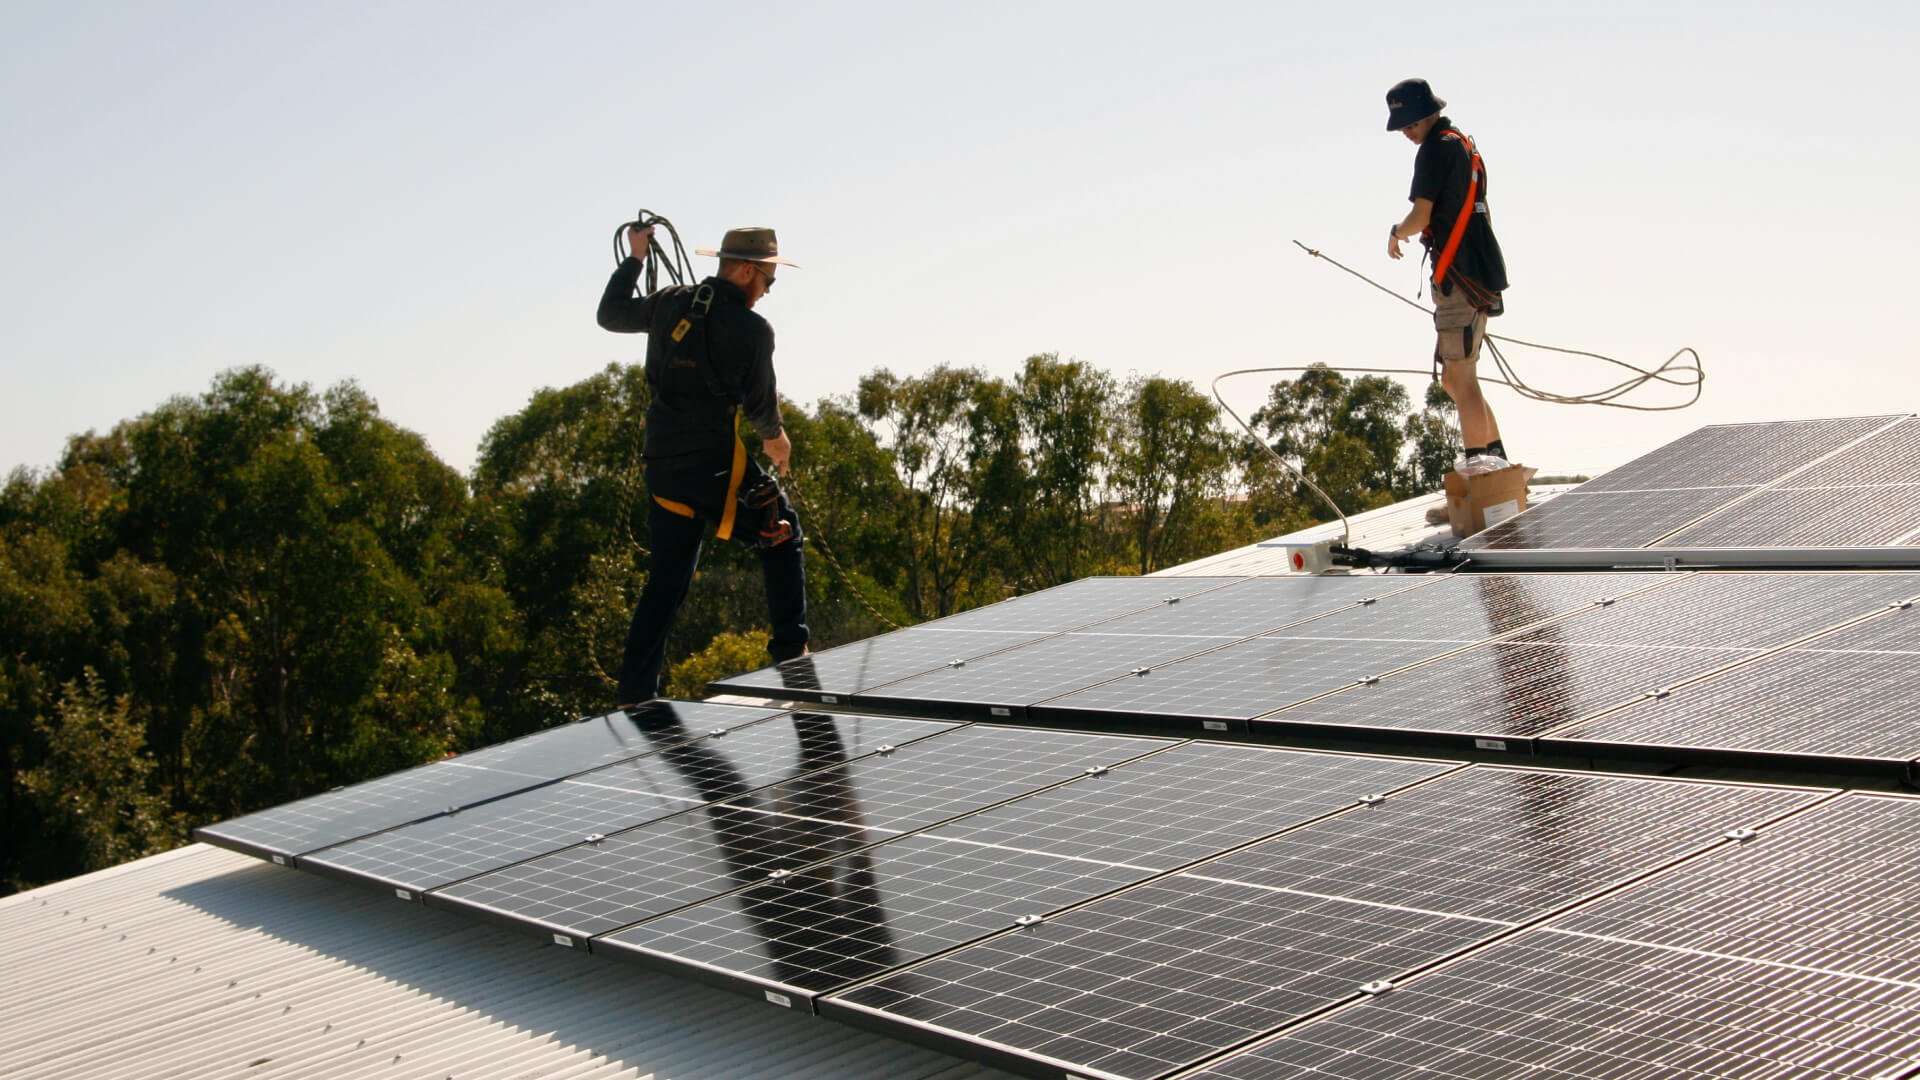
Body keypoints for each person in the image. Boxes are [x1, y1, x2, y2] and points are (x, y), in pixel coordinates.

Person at [597, 225, 809, 707]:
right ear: (747, 270)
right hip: (711, 465)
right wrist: (777, 442)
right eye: (769, 278)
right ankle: (792, 656)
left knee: (668, 579)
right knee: (781, 532)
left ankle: (635, 692)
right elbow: (759, 404)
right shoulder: (754, 330)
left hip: (663, 466)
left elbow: (610, 315)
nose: (770, 289)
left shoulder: (671, 302)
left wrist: (635, 259)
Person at [1384, 78, 1512, 492]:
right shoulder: (1460, 144)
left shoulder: (1435, 150)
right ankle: (1497, 466)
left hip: (1460, 276)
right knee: (1457, 378)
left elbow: (1420, 218)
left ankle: (1481, 482)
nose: (1405, 131)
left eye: (1409, 123)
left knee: (1460, 377)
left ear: (1427, 113)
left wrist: (1395, 233)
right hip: (1477, 271)